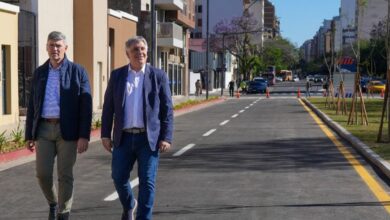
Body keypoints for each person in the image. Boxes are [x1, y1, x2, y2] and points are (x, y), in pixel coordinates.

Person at [101, 36, 174, 220]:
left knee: (147, 183)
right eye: (135, 49)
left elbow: (167, 110)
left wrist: (167, 137)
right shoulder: (117, 76)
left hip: (148, 139)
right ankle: (129, 204)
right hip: (123, 138)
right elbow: (108, 107)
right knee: (118, 177)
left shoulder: (158, 76)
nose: (139, 52)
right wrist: (105, 134)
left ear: (147, 52)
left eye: (142, 49)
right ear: (127, 53)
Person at [25, 31, 92, 220]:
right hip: (44, 130)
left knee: (65, 175)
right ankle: (53, 203)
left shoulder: (78, 72)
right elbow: (32, 106)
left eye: (58, 45)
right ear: (46, 47)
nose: (55, 49)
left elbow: (85, 107)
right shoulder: (39, 73)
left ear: (66, 48)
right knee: (42, 174)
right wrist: (29, 134)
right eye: (51, 45)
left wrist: (83, 135)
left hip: (68, 131)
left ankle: (63, 212)